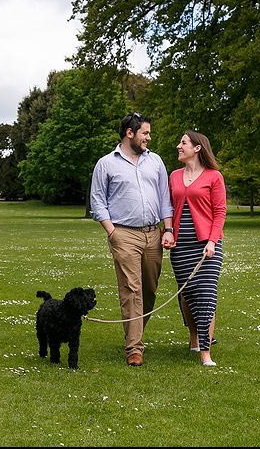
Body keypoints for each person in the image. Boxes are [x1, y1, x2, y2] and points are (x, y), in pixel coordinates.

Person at [90, 113, 175, 366]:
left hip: (153, 233)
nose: (149, 137)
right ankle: (134, 348)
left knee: (149, 289)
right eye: (145, 133)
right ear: (130, 133)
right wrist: (111, 232)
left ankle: (134, 331)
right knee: (132, 289)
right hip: (123, 233)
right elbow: (97, 200)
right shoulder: (106, 164)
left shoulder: (156, 161)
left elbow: (164, 198)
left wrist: (168, 229)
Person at [166, 130, 226, 367]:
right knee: (187, 295)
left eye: (183, 143)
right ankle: (194, 337)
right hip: (181, 247)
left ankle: (205, 352)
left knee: (207, 295)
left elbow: (220, 212)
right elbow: (168, 208)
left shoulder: (214, 177)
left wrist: (212, 241)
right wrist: (168, 232)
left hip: (207, 245)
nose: (178, 146)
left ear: (197, 148)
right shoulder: (174, 176)